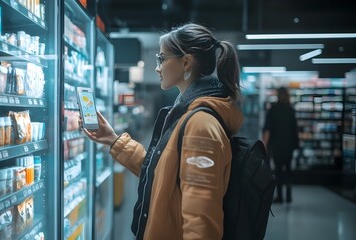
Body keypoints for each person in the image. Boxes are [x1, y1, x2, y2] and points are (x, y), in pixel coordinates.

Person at [80, 23, 243, 239]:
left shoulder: (201, 126)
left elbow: (201, 222)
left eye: (161, 59)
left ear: (185, 62)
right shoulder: (187, 114)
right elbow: (162, 175)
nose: (157, 67)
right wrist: (113, 140)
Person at [262, 87, 299, 203]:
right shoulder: (291, 110)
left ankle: (280, 196)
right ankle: (289, 196)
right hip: (289, 146)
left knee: (278, 172)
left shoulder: (273, 109)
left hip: (276, 145)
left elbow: (267, 129)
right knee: (288, 171)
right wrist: (296, 146)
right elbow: (295, 130)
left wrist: (264, 145)